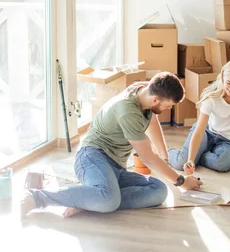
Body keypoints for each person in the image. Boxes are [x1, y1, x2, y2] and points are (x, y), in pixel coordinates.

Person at [21, 72, 203, 217]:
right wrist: (181, 181)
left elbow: (152, 122)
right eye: (168, 106)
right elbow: (148, 158)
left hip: (116, 167)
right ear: (155, 100)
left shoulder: (142, 90)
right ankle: (38, 197)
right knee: (109, 199)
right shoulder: (127, 111)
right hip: (92, 157)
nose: (168, 109)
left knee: (159, 190)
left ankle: (90, 201)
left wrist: (165, 158)